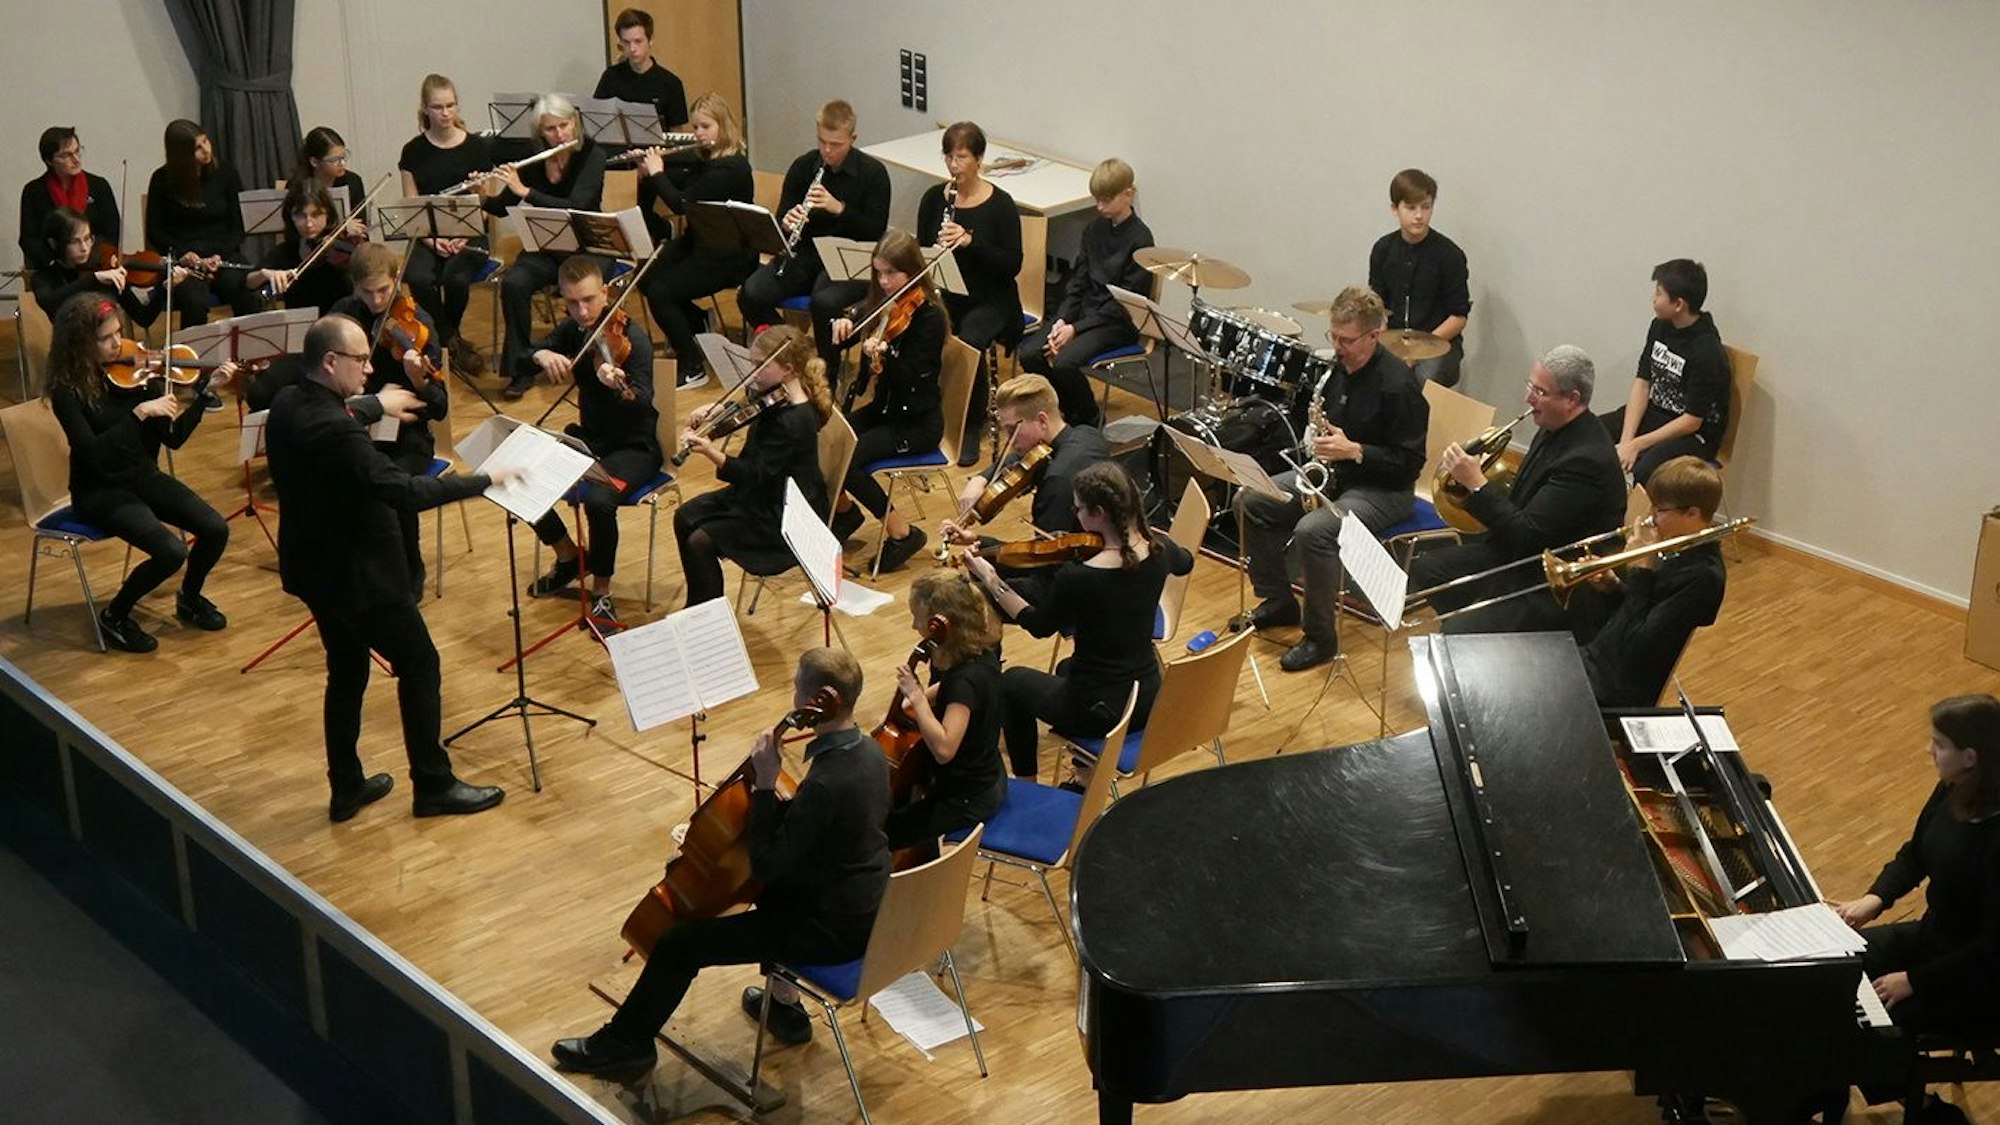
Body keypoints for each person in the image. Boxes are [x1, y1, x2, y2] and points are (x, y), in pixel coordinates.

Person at [551, 647, 890, 1071]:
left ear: (820, 699)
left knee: (681, 943)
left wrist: (765, 785)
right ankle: (784, 1007)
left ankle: (626, 1046)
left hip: (829, 929)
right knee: (771, 891)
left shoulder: (827, 782)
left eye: (796, 686)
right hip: (866, 907)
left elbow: (766, 864)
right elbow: (830, 832)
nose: (792, 694)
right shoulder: (869, 753)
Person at [266, 314, 506, 822]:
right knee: (420, 664)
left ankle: (346, 786)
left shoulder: (289, 400)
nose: (370, 367)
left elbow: (340, 409)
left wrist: (377, 403)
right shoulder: (337, 432)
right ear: (331, 362)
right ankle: (434, 785)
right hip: (363, 575)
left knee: (347, 669)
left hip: (316, 570)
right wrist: (483, 480)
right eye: (361, 360)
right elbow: (404, 491)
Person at [1237, 285, 1428, 672]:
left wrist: (1355, 451)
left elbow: (1410, 464)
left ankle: (1320, 637)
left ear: (1374, 335)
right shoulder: (1338, 371)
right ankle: (1278, 601)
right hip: (1339, 474)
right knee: (1251, 499)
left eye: (1347, 340)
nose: (1338, 347)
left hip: (1384, 489)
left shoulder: (1399, 386)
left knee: (1314, 530)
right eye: (1334, 337)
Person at [965, 462, 1193, 781]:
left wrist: (991, 579)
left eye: (1079, 508)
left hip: (1099, 711)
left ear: (1099, 513)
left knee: (1012, 683)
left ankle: (1027, 781)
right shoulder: (1160, 550)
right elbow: (1186, 562)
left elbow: (1038, 624)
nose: (1076, 514)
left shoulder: (1081, 577)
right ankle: (1086, 775)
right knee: (1065, 669)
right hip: (1146, 698)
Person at [41, 294, 234, 653]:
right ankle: (115, 615)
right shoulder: (67, 393)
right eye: (105, 338)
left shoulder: (141, 374)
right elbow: (94, 455)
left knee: (215, 528)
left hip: (142, 478)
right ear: (80, 343)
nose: (117, 343)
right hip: (100, 492)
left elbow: (173, 439)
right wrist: (139, 414)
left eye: (118, 332)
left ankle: (189, 597)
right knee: (171, 551)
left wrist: (205, 395)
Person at [1409, 345, 1626, 636]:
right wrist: (1470, 488)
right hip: (1517, 554)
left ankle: (1479, 633)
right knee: (1428, 571)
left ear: (1572, 399)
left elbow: (1528, 536)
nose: (1528, 398)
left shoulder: (1586, 460)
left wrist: (1477, 484)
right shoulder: (1552, 424)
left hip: (1549, 581)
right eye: (1530, 386)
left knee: (1459, 631)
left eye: (1540, 392)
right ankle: (1477, 628)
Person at [1831, 695, 2000, 1037]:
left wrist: (1913, 981)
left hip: (1978, 980)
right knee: (1832, 968)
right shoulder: (1953, 788)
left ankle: (1912, 1090)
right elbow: (1915, 855)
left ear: (1970, 757)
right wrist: (1874, 899)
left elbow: (1992, 945)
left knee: (1862, 1026)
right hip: (1935, 937)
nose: (1928, 750)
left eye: (1939, 744)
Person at [520, 256, 661, 632]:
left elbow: (643, 400)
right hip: (590, 441)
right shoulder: (574, 329)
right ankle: (568, 556)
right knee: (516, 477)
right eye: (571, 302)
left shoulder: (635, 339)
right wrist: (543, 353)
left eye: (589, 300)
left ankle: (601, 592)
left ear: (605, 291)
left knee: (599, 500)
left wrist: (616, 385)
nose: (582, 311)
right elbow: (521, 355)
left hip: (634, 446)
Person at [671, 324, 832, 607]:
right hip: (761, 494)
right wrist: (718, 408)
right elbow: (751, 405)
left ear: (788, 369)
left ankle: (707, 617)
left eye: (760, 365)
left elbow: (753, 474)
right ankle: (698, 606)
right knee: (684, 516)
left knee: (700, 541)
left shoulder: (794, 420)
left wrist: (711, 452)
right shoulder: (775, 393)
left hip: (782, 514)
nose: (753, 372)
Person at [735, 100, 891, 383]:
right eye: (822, 142)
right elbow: (782, 215)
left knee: (824, 302)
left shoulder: (873, 174)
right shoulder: (804, 166)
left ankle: (826, 377)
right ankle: (795, 353)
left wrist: (838, 208)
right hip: (806, 253)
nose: (827, 151)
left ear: (852, 139)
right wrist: (787, 220)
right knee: (751, 293)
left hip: (849, 258)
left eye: (836, 144)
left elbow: (875, 230)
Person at [328, 242, 449, 599]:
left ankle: (410, 568)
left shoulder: (419, 324)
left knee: (394, 488)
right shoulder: (345, 316)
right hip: (359, 425)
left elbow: (439, 407)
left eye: (383, 290)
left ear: (397, 280)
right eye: (367, 292)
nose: (377, 301)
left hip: (409, 434)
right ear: (355, 286)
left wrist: (418, 379)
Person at [825, 229, 948, 574]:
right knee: (829, 438)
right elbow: (861, 307)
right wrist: (848, 317)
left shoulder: (929, 318)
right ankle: (846, 514)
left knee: (849, 461)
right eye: (878, 273)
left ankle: (903, 533)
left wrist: (887, 355)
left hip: (916, 422)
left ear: (912, 271)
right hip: (885, 411)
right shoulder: (886, 303)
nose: (884, 280)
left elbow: (912, 380)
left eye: (892, 273)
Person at [914, 121, 1023, 465]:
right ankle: (927, 414)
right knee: (919, 325)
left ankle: (969, 425)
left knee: (971, 339)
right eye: (948, 156)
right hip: (948, 293)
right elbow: (921, 252)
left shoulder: (1001, 204)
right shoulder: (934, 199)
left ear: (979, 158)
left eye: (961, 157)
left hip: (991, 300)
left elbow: (1012, 264)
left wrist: (970, 242)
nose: (953, 165)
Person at [1579, 456, 1727, 707]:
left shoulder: (1702, 577)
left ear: (1692, 513)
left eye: (1660, 509)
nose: (1651, 517)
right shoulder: (1674, 546)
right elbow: (1639, 612)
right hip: (1600, 658)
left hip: (1614, 685)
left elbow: (1639, 645)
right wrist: (1613, 586)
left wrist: (1641, 570)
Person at [1017, 158, 1153, 427]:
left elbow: (1124, 304)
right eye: (1097, 200)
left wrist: (1075, 329)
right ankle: (1065, 409)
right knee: (1031, 353)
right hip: (1082, 315)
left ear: (1128, 194)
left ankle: (1090, 418)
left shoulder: (1141, 239)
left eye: (1106, 200)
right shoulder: (1093, 229)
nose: (1100, 207)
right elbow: (1077, 281)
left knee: (1065, 361)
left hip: (1114, 322)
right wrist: (1062, 319)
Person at [634, 92, 756, 389]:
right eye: (696, 127)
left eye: (706, 126)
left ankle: (692, 366)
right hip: (701, 245)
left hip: (730, 254)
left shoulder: (732, 169)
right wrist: (646, 177)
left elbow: (680, 203)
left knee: (662, 293)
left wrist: (658, 173)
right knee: (646, 274)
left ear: (723, 126)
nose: (698, 133)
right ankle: (697, 322)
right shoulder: (706, 161)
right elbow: (652, 203)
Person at [487, 95, 606, 398]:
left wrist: (526, 191)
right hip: (547, 246)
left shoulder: (592, 153)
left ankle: (579, 358)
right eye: (550, 129)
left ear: (574, 123)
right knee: (514, 283)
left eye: (564, 125)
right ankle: (521, 367)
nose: (559, 135)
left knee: (581, 289)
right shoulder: (534, 156)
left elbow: (578, 205)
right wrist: (482, 194)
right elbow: (502, 207)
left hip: (587, 249)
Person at [882, 570, 1007, 861]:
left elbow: (944, 749)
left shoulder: (964, 681)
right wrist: (917, 701)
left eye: (917, 617)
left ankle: (921, 880)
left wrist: (915, 697)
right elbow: (952, 688)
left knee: (882, 831)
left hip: (967, 798)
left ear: (940, 624)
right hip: (989, 777)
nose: (914, 625)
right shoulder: (983, 652)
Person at [1601, 259, 1731, 485]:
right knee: (1591, 434)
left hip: (1692, 435)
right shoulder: (1660, 326)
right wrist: (1626, 441)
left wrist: (1637, 445)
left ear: (1678, 304)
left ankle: (1638, 519)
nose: (1653, 298)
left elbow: (1692, 421)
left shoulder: (1707, 351)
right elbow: (1642, 383)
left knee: (1646, 471)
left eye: (1659, 293)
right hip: (1657, 414)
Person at [398, 74, 495, 376]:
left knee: (456, 280)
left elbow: (487, 207)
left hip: (469, 235)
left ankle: (442, 343)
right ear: (425, 109)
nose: (445, 113)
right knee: (417, 276)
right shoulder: (413, 151)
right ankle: (450, 340)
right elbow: (411, 207)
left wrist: (463, 235)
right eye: (437, 107)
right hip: (428, 234)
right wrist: (431, 240)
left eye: (450, 105)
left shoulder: (477, 147)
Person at [145, 119, 260, 328]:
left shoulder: (226, 172)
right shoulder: (161, 179)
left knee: (240, 287)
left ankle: (253, 352)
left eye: (205, 142)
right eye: (197, 148)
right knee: (193, 300)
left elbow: (238, 227)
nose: (206, 150)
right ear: (181, 155)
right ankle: (193, 357)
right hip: (185, 261)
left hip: (222, 254)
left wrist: (220, 255)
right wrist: (183, 254)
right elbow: (155, 231)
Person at [1365, 168, 1471, 387]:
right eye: (1411, 207)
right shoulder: (1383, 249)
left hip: (1439, 344)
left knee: (1424, 378)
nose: (1419, 215)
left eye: (1426, 207)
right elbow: (1378, 307)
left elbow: (1458, 318)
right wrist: (1385, 349)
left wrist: (1417, 352)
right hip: (1394, 341)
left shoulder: (1450, 255)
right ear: (1395, 209)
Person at [594, 7, 689, 244]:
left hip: (652, 161)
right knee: (593, 192)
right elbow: (597, 124)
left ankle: (656, 230)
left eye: (638, 41)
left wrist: (652, 162)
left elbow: (677, 137)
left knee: (638, 204)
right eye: (626, 43)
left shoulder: (670, 83)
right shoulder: (611, 77)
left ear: (650, 41)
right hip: (618, 159)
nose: (632, 49)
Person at [28, 208, 178, 331]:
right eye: (75, 241)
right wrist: (94, 279)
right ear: (54, 243)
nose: (85, 248)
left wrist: (165, 288)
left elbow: (144, 318)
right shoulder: (44, 277)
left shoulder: (106, 271)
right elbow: (50, 302)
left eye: (88, 239)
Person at [19, 126, 120, 271]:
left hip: (95, 264)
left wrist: (93, 259)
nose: (76, 160)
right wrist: (55, 263)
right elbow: (29, 239)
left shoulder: (99, 185)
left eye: (77, 151)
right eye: (66, 155)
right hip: (54, 269)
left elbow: (112, 231)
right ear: (49, 160)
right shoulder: (33, 191)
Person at [247, 179, 352, 314]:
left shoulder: (342, 248)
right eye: (301, 215)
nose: (309, 224)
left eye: (316, 214)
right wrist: (264, 274)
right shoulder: (287, 251)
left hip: (343, 325)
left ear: (328, 214)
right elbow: (248, 282)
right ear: (291, 216)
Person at [292, 126, 367, 238]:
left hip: (348, 244)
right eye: (334, 160)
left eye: (343, 157)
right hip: (310, 246)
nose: (342, 163)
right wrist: (340, 228)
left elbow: (360, 224)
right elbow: (297, 228)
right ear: (314, 162)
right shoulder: (300, 185)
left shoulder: (353, 181)